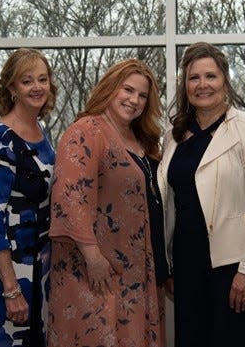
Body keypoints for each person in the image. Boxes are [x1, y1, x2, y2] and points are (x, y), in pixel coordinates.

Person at [157, 41, 245, 347]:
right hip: (187, 262)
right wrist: (169, 264)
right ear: (185, 85)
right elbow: (170, 202)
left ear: (224, 80)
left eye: (210, 76)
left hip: (235, 262)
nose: (202, 85)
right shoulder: (174, 136)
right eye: (194, 78)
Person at [47, 58, 167, 347]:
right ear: (110, 87)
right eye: (128, 90)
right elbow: (70, 195)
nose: (134, 100)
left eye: (142, 95)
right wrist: (93, 257)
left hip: (135, 270)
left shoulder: (143, 139)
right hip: (96, 270)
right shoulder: (87, 130)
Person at [0, 48, 57, 346]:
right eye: (26, 81)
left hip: (38, 268)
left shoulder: (42, 131)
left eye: (42, 79)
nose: (37, 87)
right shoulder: (1, 137)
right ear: (11, 88)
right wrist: (11, 289)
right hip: (6, 273)